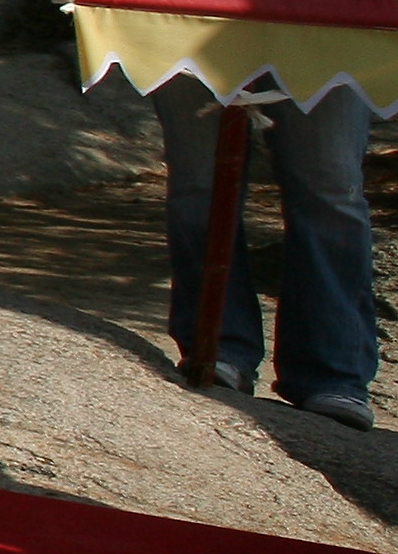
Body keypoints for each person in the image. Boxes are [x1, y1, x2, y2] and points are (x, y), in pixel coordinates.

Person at [152, 79, 379, 429]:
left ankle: (332, 373)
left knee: (331, 188)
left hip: (328, 35)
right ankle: (218, 347)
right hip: (195, 30)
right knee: (200, 184)